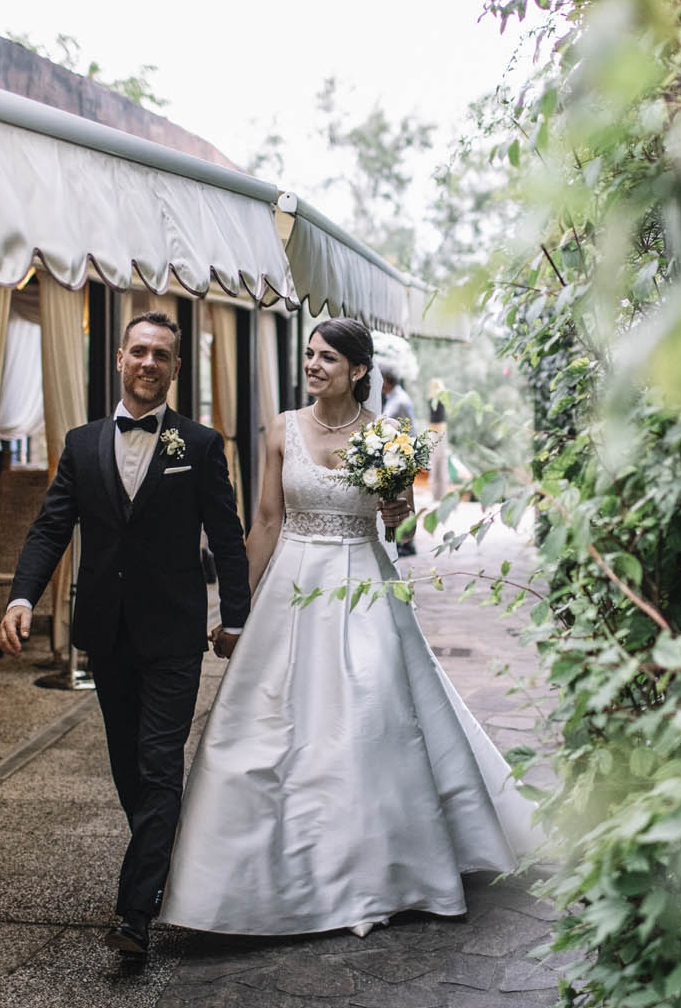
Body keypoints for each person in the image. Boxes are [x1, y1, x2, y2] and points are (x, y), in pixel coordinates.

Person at [156, 318, 537, 939]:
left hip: (364, 584)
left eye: (327, 357)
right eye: (309, 354)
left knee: (370, 714)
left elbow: (401, 519)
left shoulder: (387, 436)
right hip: (293, 586)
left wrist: (397, 505)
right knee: (273, 724)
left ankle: (378, 871)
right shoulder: (282, 428)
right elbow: (267, 521)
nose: (313, 365)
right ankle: (266, 874)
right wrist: (235, 611)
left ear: (358, 370)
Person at [0, 311, 250, 963]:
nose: (148, 363)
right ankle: (169, 858)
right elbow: (52, 527)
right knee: (127, 765)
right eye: (138, 351)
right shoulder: (82, 444)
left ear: (174, 368)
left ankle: (133, 915)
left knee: (160, 761)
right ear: (119, 358)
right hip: (105, 634)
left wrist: (238, 616)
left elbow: (226, 536)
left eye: (160, 354)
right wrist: (22, 595)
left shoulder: (197, 445)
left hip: (172, 634)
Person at [378, 362, 419, 557]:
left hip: (400, 451)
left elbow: (394, 425)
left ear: (386, 380)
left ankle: (406, 542)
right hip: (397, 450)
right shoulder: (394, 397)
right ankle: (404, 542)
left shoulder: (399, 400)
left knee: (401, 499)